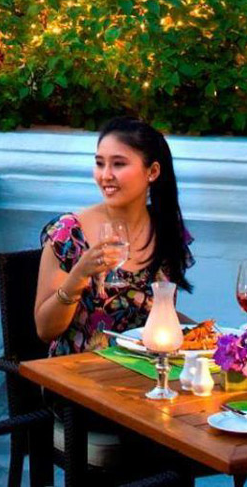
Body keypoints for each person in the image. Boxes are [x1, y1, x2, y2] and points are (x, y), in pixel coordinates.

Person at [35, 117, 192, 356]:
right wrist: (79, 274)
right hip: (78, 377)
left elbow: (158, 315)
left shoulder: (165, 230)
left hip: (146, 372)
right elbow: (45, 330)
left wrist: (214, 334)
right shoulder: (69, 233)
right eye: (100, 164)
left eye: (118, 164)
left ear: (153, 171)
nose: (105, 175)